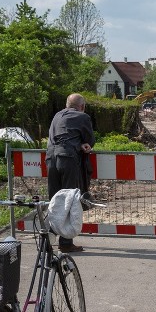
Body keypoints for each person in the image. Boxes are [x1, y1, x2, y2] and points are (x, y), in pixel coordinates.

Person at [46, 93, 95, 252]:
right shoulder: (83, 117)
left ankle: (48, 241)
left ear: (67, 105)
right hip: (67, 160)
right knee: (69, 199)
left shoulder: (56, 116)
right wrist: (83, 144)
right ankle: (66, 243)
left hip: (51, 159)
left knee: (54, 200)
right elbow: (89, 140)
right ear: (82, 106)